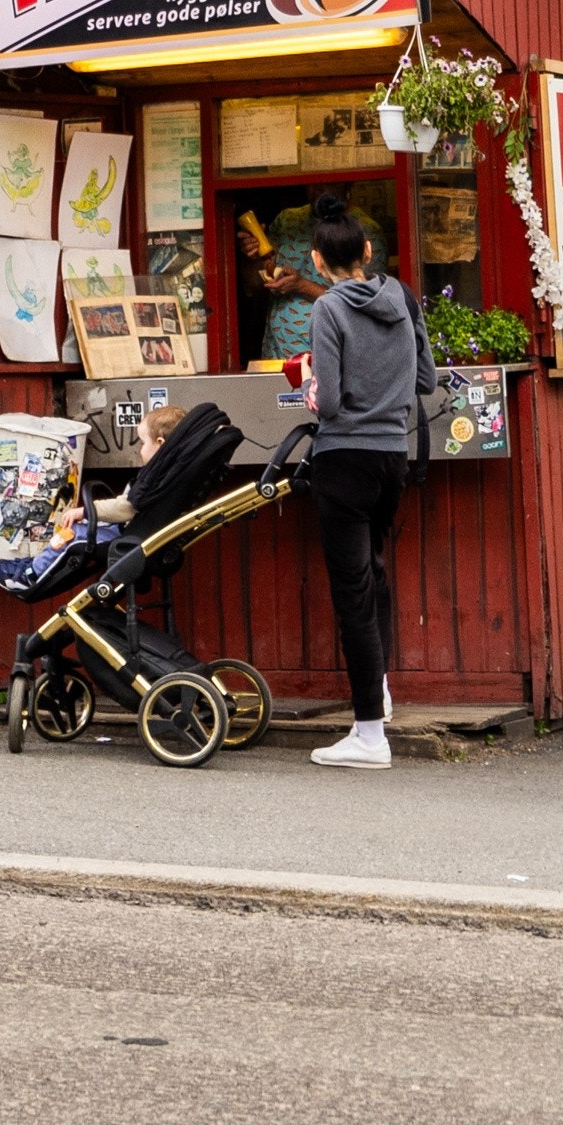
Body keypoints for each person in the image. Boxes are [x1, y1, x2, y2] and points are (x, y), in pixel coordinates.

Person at [305, 205, 435, 769]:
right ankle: (376, 694)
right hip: (391, 460)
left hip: (343, 461)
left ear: (316, 260)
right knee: (375, 576)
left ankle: (368, 736)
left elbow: (328, 402)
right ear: (367, 253)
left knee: (353, 592)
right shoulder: (402, 299)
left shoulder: (327, 308)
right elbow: (426, 379)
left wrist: (311, 386)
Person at [0, 408, 186, 592]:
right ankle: (36, 563)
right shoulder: (169, 477)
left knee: (73, 534)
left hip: (128, 536)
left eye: (143, 443)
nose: (139, 449)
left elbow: (126, 507)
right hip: (133, 531)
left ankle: (30, 575)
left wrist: (84, 511)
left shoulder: (155, 479)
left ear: (159, 444)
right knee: (83, 526)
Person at [237, 196, 387, 363]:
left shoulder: (366, 230)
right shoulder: (286, 220)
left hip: (332, 355)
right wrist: (253, 256)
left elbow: (366, 303)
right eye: (315, 182)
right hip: (280, 354)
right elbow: (252, 284)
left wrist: (301, 286)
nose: (320, 188)